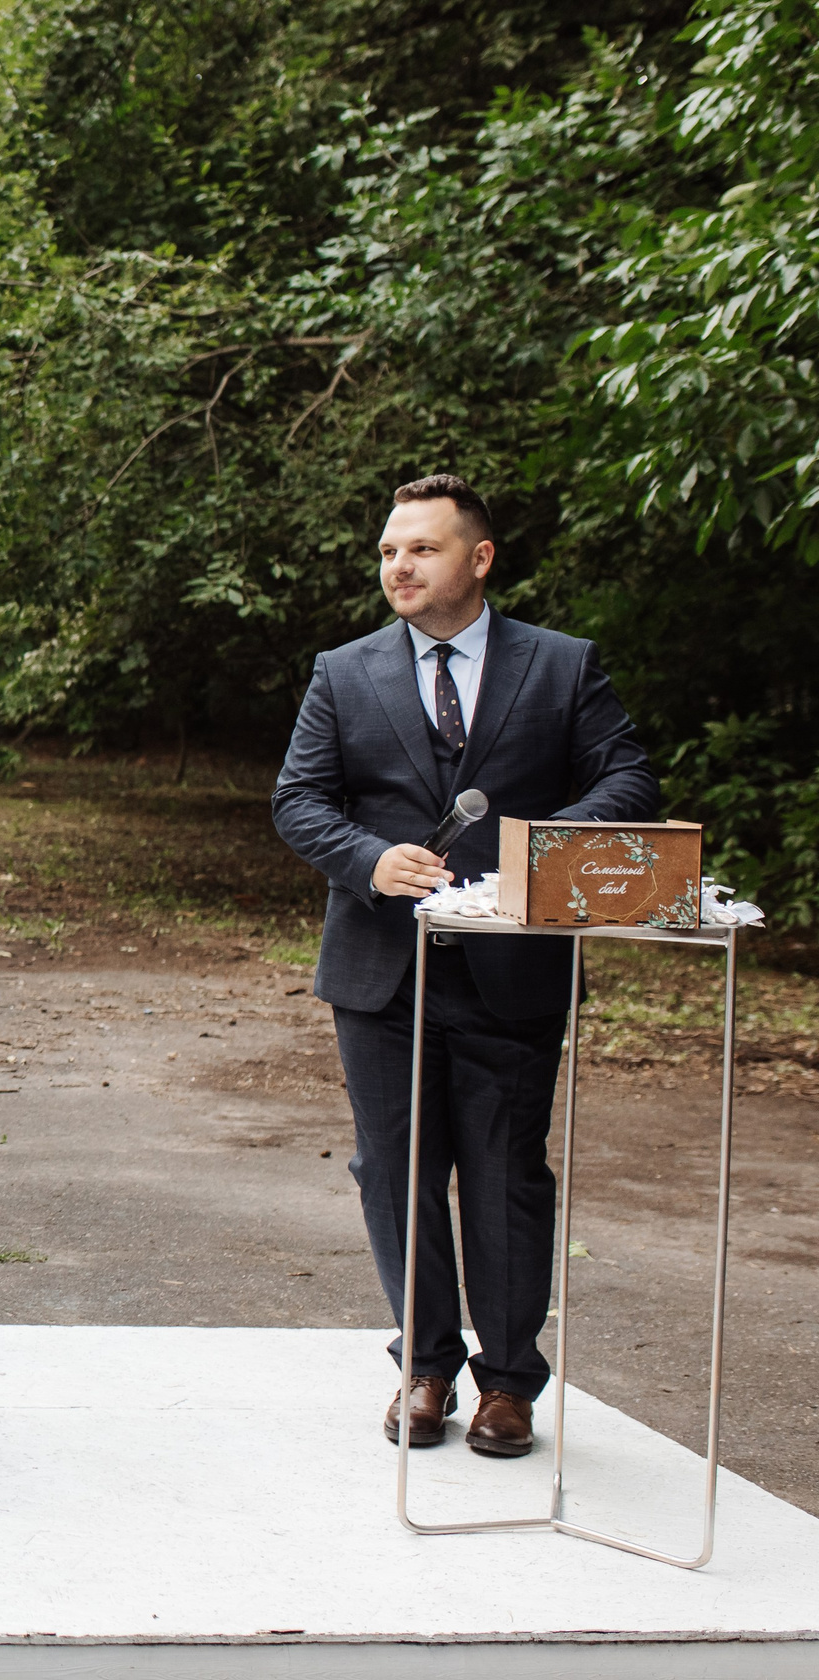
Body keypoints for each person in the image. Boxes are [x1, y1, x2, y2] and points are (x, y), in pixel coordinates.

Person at [273, 474, 656, 1457]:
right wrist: (368, 859)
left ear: (477, 559)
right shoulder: (342, 671)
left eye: (422, 549)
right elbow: (299, 799)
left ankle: (509, 1382)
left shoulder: (562, 666)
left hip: (512, 965)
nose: (399, 566)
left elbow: (627, 774)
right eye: (389, 551)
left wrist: (545, 842)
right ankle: (426, 1366)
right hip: (378, 973)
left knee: (503, 1176)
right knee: (392, 1175)